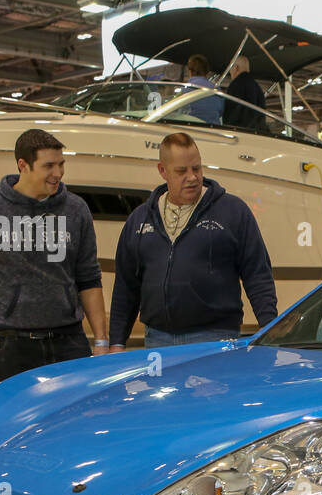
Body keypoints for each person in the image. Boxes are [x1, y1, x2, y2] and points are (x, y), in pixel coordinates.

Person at [0, 129, 107, 386]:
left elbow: (89, 278)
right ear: (23, 165)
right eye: (48, 165)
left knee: (74, 423)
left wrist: (101, 341)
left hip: (69, 341)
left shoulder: (76, 209)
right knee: (17, 425)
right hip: (11, 346)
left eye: (61, 164)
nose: (58, 173)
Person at [109, 132, 278, 349]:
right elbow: (125, 287)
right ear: (163, 171)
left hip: (216, 337)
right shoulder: (140, 219)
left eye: (196, 168)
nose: (192, 177)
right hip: (157, 340)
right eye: (181, 171)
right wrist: (116, 341)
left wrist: (270, 330)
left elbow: (258, 275)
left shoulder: (232, 212)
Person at [223, 55, 267, 131]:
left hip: (240, 131)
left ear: (236, 67)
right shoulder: (257, 87)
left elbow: (232, 111)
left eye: (231, 68)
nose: (230, 72)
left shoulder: (236, 84)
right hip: (258, 132)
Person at [184, 54, 223, 126]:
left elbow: (179, 111)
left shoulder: (186, 88)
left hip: (191, 127)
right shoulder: (216, 88)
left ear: (190, 70)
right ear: (207, 71)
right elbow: (220, 111)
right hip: (214, 128)